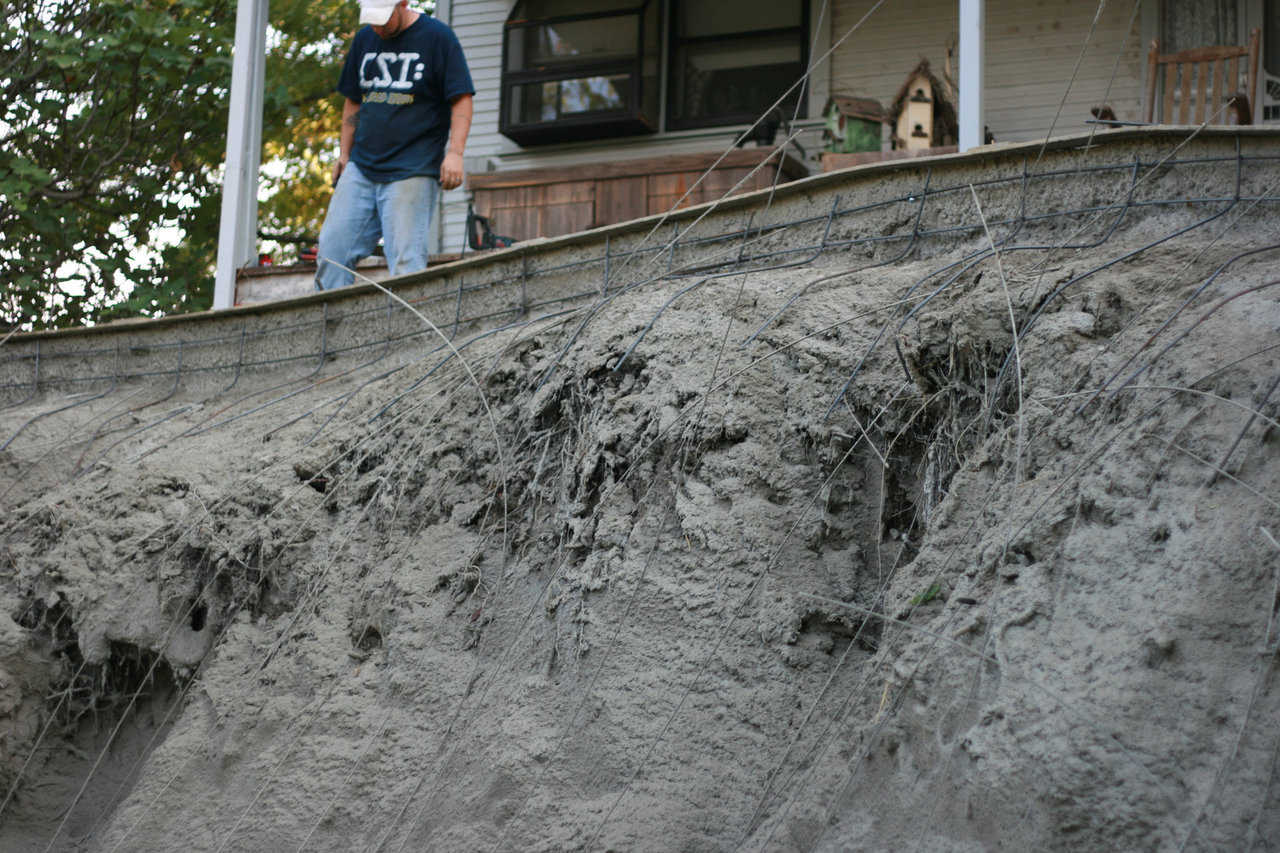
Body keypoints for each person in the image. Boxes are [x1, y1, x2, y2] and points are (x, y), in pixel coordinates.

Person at [314, 1, 474, 291]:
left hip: (412, 168)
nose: (378, 27)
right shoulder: (365, 39)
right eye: (372, 20)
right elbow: (353, 100)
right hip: (362, 167)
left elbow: (461, 99)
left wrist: (455, 153)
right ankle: (331, 331)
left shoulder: (438, 37)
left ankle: (407, 334)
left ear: (403, 3)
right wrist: (344, 154)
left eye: (383, 19)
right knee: (332, 252)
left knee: (405, 263)